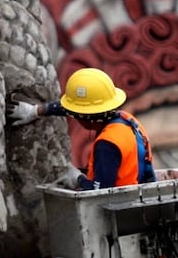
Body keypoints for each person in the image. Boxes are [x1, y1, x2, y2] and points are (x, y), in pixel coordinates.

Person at [8, 68, 156, 190]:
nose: (74, 117)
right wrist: (37, 111)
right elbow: (81, 109)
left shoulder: (107, 144)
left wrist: (78, 179)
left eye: (77, 114)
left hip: (121, 209)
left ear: (86, 118)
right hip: (141, 194)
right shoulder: (127, 120)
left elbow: (100, 192)